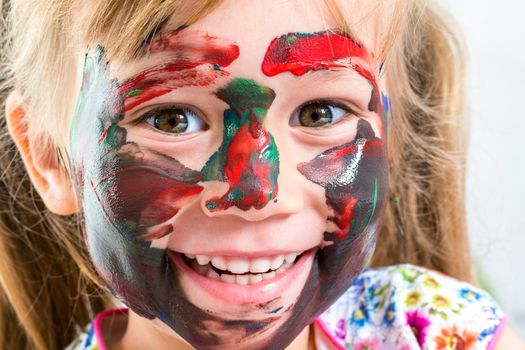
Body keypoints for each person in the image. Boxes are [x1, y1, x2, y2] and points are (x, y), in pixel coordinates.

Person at [0, 0, 524, 349]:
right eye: (170, 118)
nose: (257, 192)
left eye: (321, 113)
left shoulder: (435, 332)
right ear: (50, 156)